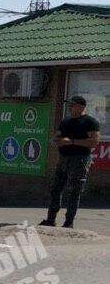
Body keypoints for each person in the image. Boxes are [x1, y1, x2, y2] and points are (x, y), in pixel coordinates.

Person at [40, 95, 101, 228]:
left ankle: (68, 222)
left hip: (80, 160)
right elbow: (58, 135)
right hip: (63, 159)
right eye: (69, 105)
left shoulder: (90, 122)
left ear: (81, 107)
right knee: (56, 188)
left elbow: (94, 142)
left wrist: (72, 141)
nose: (69, 108)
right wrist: (56, 139)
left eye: (72, 105)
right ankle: (50, 219)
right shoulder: (66, 121)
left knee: (74, 190)